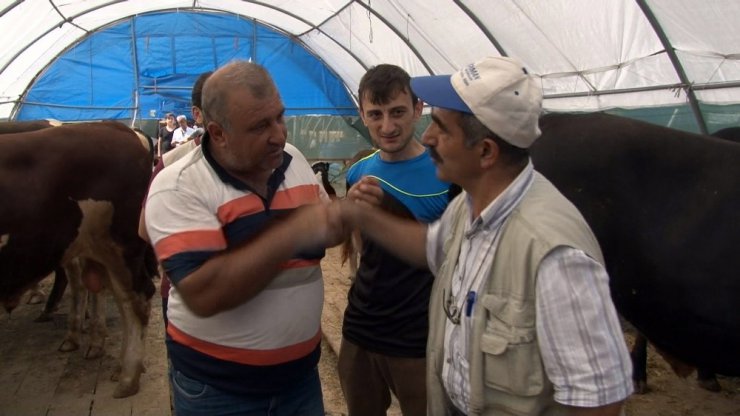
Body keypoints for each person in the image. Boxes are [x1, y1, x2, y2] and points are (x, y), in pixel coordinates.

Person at [337, 56, 633, 415]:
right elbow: (429, 246)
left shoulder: (554, 254)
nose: (428, 137)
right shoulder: (469, 206)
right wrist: (357, 214)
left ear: (485, 152)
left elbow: (598, 398)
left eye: (442, 128)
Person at [144, 60, 339, 416]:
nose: (279, 134)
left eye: (280, 117)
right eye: (260, 125)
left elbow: (323, 231)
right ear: (218, 133)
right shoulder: (178, 186)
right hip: (219, 393)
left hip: (300, 383)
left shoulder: (294, 160)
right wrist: (291, 232)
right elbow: (205, 293)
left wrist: (346, 217)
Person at [338, 64, 455, 416]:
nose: (387, 127)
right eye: (375, 114)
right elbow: (360, 248)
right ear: (362, 114)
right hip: (360, 329)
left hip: (418, 337)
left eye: (398, 112)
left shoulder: (446, 174)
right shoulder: (359, 172)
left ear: (419, 109)